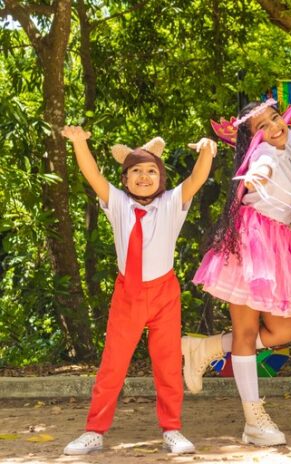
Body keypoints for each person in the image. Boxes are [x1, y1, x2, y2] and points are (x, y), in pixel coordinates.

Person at [183, 74, 291, 445]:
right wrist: (254, 177)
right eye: (262, 126)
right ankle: (253, 419)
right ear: (253, 138)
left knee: (284, 331)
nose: (273, 127)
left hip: (280, 242)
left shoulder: (290, 140)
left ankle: (207, 347)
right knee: (245, 331)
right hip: (252, 239)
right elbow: (260, 168)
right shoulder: (263, 154)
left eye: (275, 118)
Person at [61, 126, 216, 455]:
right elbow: (93, 175)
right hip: (127, 294)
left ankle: (172, 429)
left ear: (161, 177)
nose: (144, 177)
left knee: (167, 363)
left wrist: (206, 150)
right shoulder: (118, 203)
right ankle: (94, 431)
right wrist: (79, 143)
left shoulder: (171, 202)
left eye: (151, 171)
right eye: (136, 171)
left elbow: (196, 179)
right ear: (125, 179)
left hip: (164, 293)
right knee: (112, 364)